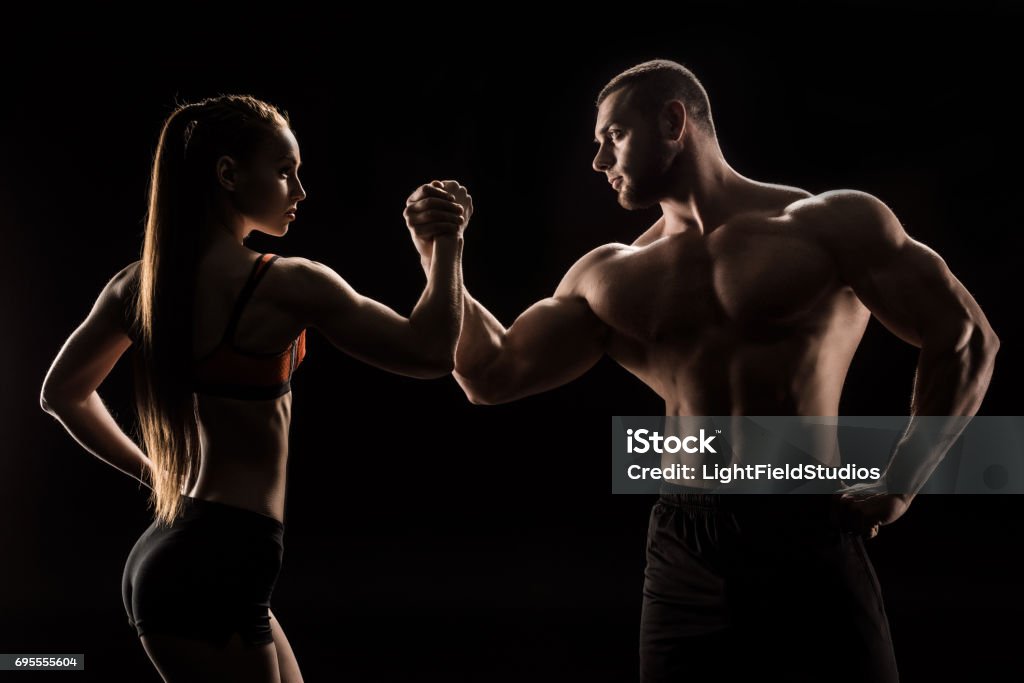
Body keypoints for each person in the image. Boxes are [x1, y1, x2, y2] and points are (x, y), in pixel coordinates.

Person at [406, 61, 1000, 681]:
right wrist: (440, 257)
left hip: (806, 529)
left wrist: (902, 482)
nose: (598, 161)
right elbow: (491, 375)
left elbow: (965, 338)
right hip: (685, 545)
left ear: (672, 120)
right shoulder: (611, 273)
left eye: (613, 136)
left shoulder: (830, 224)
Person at [39, 94, 469, 683]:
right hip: (218, 560)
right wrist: (445, 244)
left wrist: (158, 476)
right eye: (285, 170)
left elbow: (62, 393)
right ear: (228, 174)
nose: (299, 190)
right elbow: (430, 352)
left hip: (188, 547)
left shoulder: (137, 287)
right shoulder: (286, 283)